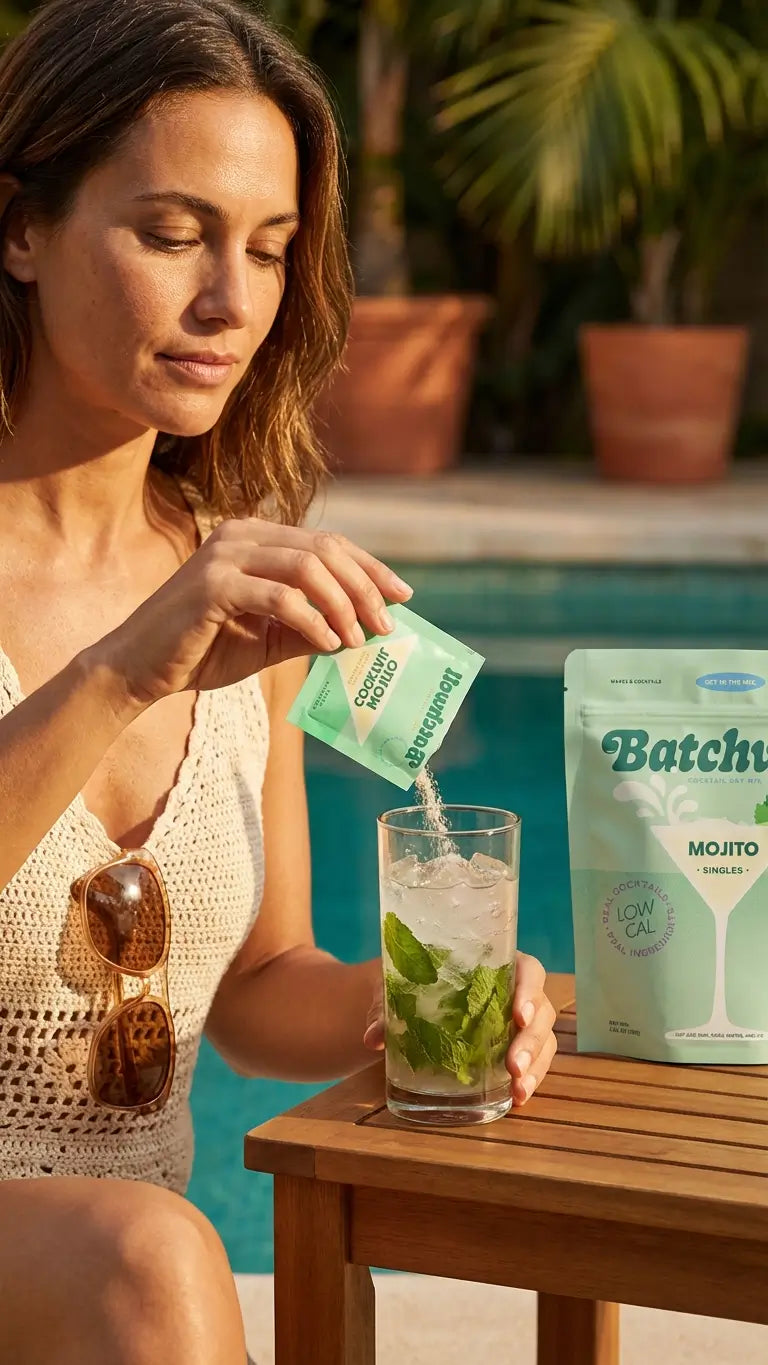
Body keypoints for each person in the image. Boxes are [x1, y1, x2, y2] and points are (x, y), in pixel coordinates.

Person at [0, 1, 558, 1360]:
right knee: (152, 1258)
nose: (232, 302)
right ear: (19, 229)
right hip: (125, 1272)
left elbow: (258, 985)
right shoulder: (188, 621)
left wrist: (423, 1000)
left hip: (105, 1290)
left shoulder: (226, 573)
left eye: (267, 248)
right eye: (171, 233)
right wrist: (124, 671)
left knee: (152, 1258)